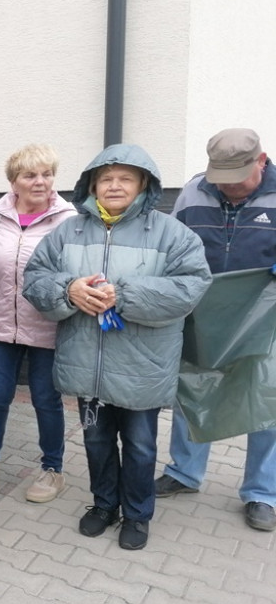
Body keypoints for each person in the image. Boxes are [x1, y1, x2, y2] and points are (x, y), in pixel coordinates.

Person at [24, 143, 211, 550]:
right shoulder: (67, 231)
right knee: (95, 441)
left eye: (125, 178)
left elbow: (191, 287)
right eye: (105, 178)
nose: (113, 186)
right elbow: (35, 278)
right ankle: (103, 504)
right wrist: (68, 289)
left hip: (143, 366)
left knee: (142, 445)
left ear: (144, 184)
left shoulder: (172, 234)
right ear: (91, 185)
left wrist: (124, 295)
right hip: (87, 363)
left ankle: (138, 514)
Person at [155, 128, 276, 532]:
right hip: (204, 315)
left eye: (237, 178)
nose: (228, 188)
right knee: (194, 387)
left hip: (265, 318)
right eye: (220, 178)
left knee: (266, 399)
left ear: (261, 161)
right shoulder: (193, 193)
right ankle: (185, 472)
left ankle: (262, 493)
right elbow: (171, 244)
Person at [0, 144, 77, 503]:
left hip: (48, 324)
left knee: (46, 399)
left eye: (47, 174)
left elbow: (77, 273)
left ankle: (53, 469)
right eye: (31, 175)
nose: (41, 181)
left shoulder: (68, 219)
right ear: (14, 181)